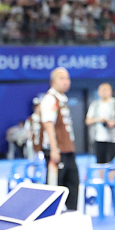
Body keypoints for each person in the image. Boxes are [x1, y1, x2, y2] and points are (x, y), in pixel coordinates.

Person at [39, 67, 78, 210]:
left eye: (67, 78)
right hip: (57, 151)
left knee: (73, 184)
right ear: (53, 81)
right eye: (61, 78)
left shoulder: (63, 99)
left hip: (68, 149)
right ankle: (51, 217)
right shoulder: (50, 99)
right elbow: (48, 125)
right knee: (55, 186)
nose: (66, 82)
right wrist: (54, 149)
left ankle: (72, 214)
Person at [85, 82, 115, 166]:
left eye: (106, 90)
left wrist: (113, 122)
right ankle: (102, 179)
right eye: (102, 90)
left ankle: (111, 179)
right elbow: (88, 121)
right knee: (100, 162)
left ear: (111, 91)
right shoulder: (95, 105)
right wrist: (98, 119)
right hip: (99, 138)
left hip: (113, 138)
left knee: (112, 162)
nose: (104, 92)